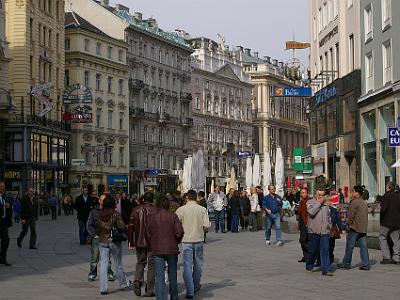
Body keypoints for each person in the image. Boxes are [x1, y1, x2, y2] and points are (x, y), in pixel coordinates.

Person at [146, 196, 184, 300]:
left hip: (157, 249)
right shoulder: (173, 216)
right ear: (168, 204)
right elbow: (180, 231)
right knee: (172, 276)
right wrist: (176, 241)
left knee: (159, 277)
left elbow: (147, 234)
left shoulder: (151, 217)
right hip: (171, 249)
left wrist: (152, 244)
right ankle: (174, 297)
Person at [176, 189, 211, 299]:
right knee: (198, 264)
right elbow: (207, 225)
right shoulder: (202, 209)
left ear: (187, 198)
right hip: (198, 239)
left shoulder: (181, 210)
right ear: (196, 197)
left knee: (187, 265)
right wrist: (202, 230)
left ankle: (190, 290)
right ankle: (195, 285)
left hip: (186, 240)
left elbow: (176, 225)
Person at [95, 196, 130, 295]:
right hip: (114, 242)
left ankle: (103, 288)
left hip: (103, 241)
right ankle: (122, 284)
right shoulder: (115, 214)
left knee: (103, 265)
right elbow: (122, 226)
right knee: (118, 264)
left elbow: (97, 229)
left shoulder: (99, 214)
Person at [128, 192, 157, 297]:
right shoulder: (155, 210)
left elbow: (130, 227)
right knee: (152, 266)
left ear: (143, 199)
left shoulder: (136, 210)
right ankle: (149, 290)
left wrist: (131, 241)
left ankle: (137, 280)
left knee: (140, 262)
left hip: (139, 241)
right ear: (153, 199)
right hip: (152, 242)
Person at [337, 186, 370, 271]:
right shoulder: (364, 202)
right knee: (363, 246)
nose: (352, 193)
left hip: (354, 228)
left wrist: (346, 225)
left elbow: (351, 216)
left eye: (353, 191)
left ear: (356, 193)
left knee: (349, 246)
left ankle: (346, 263)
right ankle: (366, 264)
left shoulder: (354, 202)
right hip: (362, 228)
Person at [86, 194, 115, 282]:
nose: (103, 201)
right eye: (102, 200)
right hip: (97, 237)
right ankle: (92, 273)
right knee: (95, 257)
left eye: (105, 200)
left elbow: (114, 224)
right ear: (99, 201)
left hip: (106, 237)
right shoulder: (94, 211)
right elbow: (89, 224)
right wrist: (94, 234)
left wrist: (112, 236)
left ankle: (109, 273)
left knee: (107, 257)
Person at [305, 189, 333, 276]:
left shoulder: (326, 204)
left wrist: (329, 226)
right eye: (318, 194)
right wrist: (319, 203)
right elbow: (311, 212)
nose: (320, 196)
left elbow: (329, 216)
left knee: (325, 251)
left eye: (322, 194)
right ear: (315, 194)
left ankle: (326, 269)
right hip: (313, 231)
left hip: (325, 232)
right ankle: (309, 265)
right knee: (312, 250)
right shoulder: (310, 202)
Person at [378, 182, 400, 264]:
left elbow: (383, 209)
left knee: (382, 237)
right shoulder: (398, 196)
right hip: (397, 222)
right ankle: (396, 257)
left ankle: (387, 257)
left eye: (386, 186)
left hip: (386, 221)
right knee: (396, 239)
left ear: (388, 188)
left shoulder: (386, 196)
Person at [0, 181, 12, 266]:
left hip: (3, 221)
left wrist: (9, 206)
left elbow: (9, 207)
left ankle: (3, 258)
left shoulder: (5, 197)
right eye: (1, 187)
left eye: (3, 187)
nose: (2, 188)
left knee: (6, 239)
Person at [297, 187, 309, 263]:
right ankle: (306, 256)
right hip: (302, 223)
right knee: (302, 241)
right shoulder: (301, 201)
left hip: (307, 223)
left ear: (307, 193)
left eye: (304, 192)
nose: (302, 194)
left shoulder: (309, 201)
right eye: (301, 193)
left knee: (304, 240)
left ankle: (311, 255)